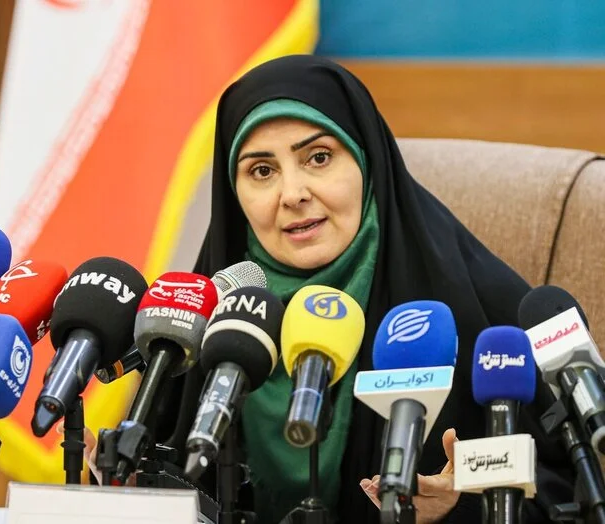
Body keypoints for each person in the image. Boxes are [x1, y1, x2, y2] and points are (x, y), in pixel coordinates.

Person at [88, 55, 575, 523]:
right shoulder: (207, 313)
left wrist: (459, 509)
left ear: (366, 161)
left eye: (318, 158)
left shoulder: (472, 303)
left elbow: (569, 491)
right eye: (262, 171)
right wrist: (130, 492)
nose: (293, 194)